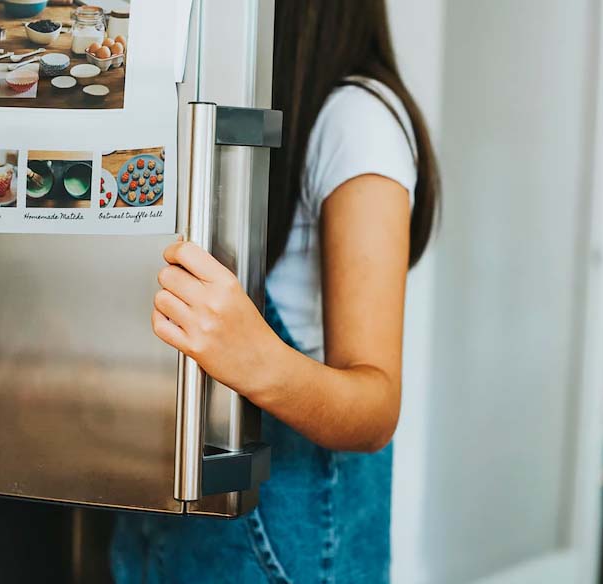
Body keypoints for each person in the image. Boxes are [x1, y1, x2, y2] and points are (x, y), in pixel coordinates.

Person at [112, 1, 440, 581]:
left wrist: (254, 358)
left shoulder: (357, 119)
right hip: (163, 527)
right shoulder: (211, 102)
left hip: (281, 550)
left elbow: (376, 407)